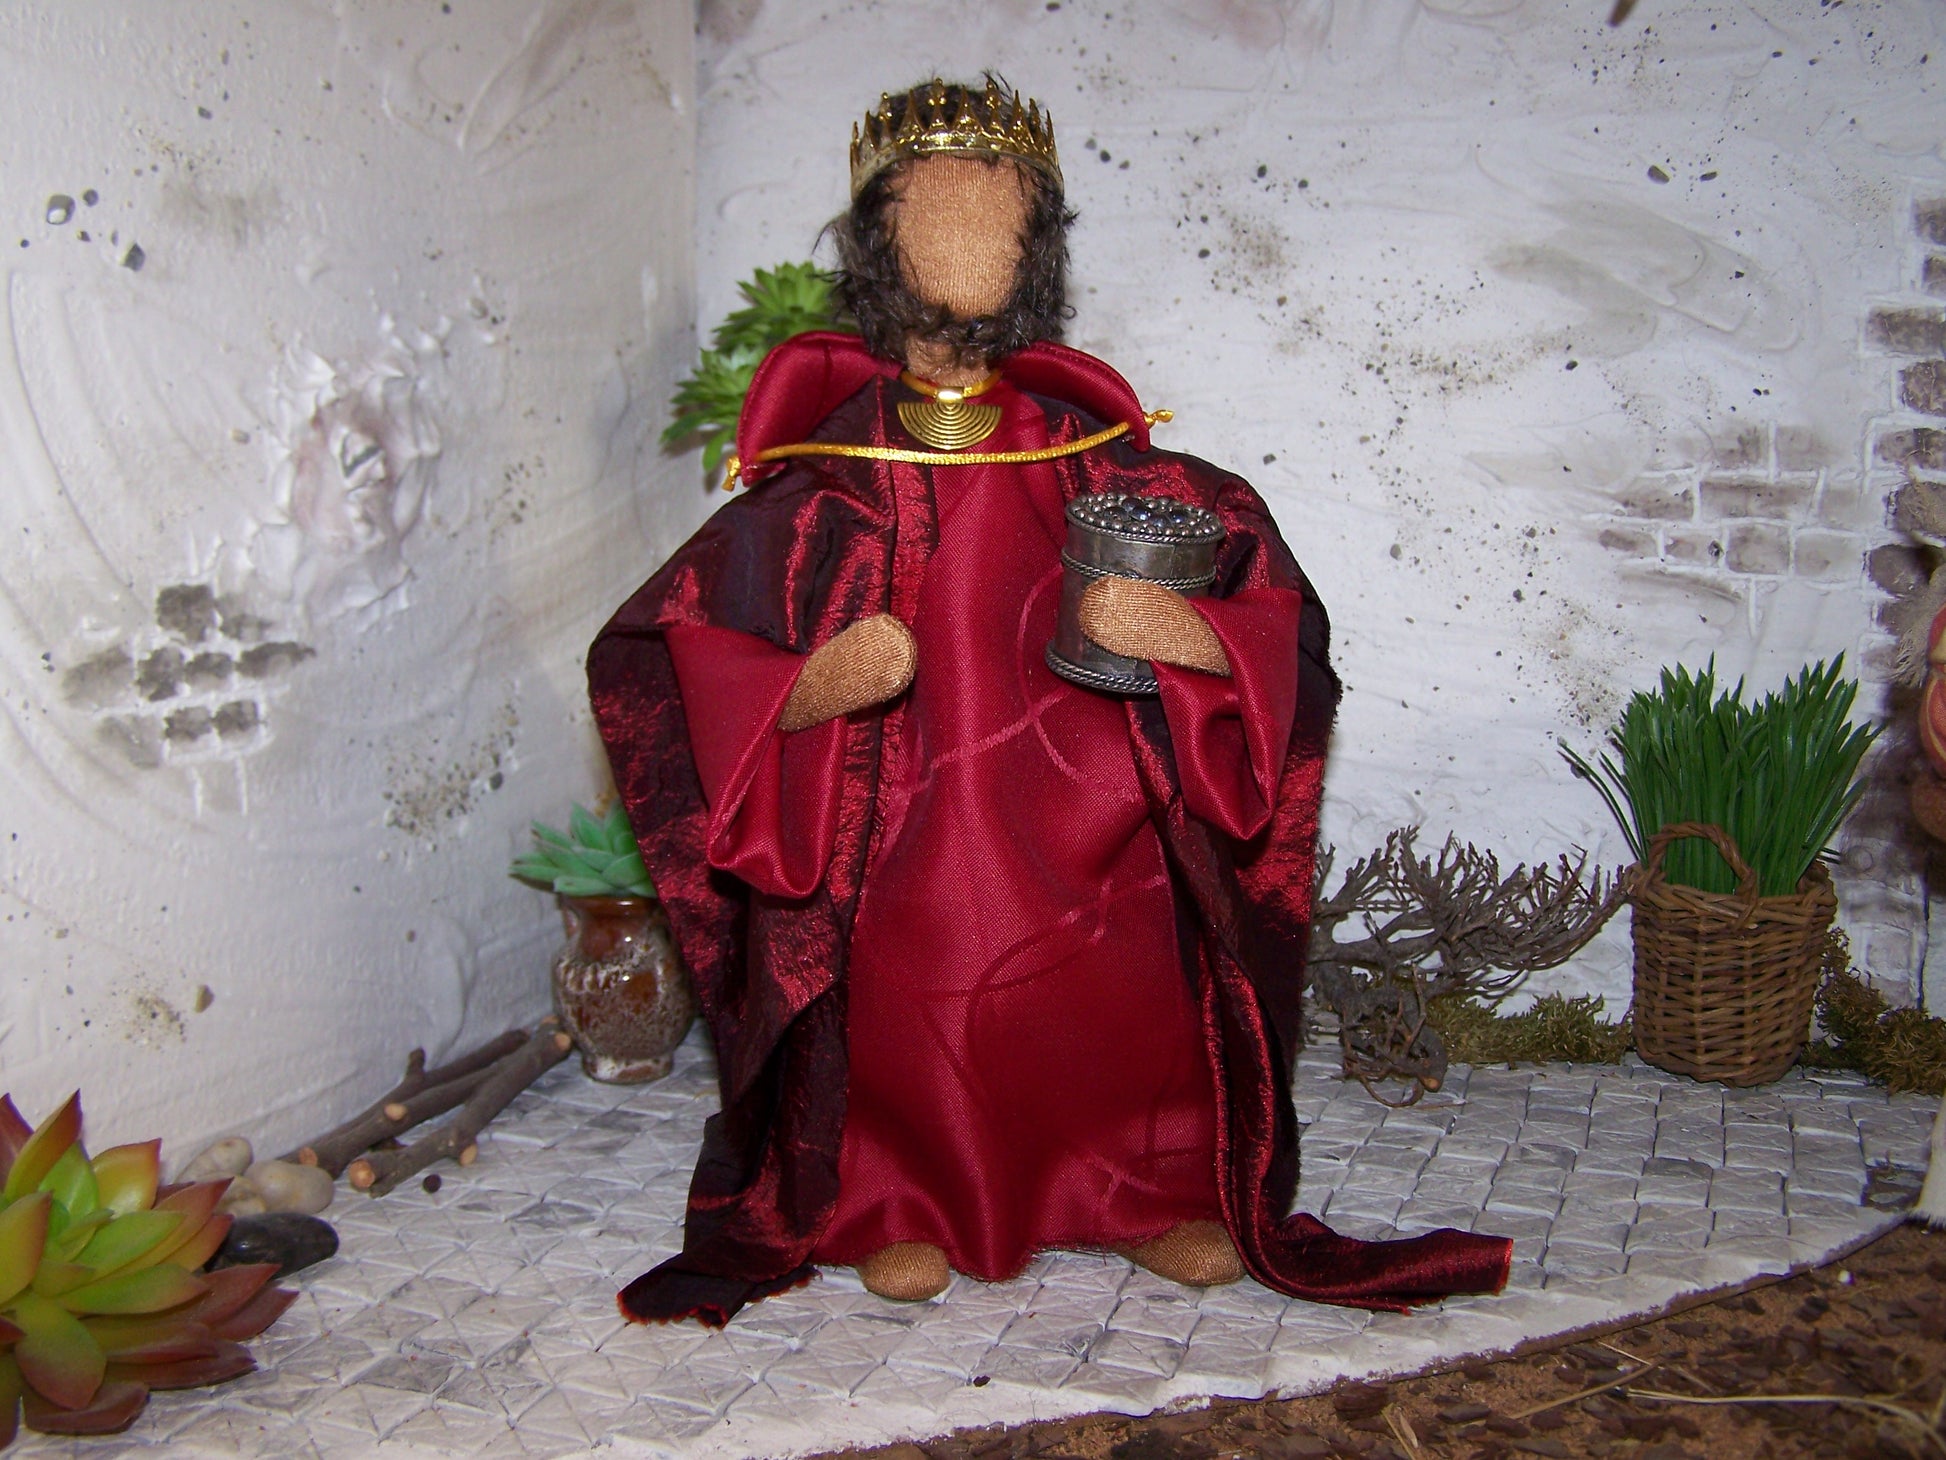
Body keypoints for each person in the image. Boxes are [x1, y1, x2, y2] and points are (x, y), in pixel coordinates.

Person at [589, 78, 1511, 1326]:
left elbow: (1268, 615)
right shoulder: (823, 485)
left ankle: (1141, 1188)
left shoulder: (1097, 459)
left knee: (1124, 989)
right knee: (908, 985)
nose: (966, 245)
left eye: (998, 221)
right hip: (903, 816)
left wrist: (1179, 631)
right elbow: (688, 652)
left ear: (1038, 254)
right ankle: (901, 1195)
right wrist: (814, 686)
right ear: (875, 250)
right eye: (933, 218)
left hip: (1090, 809)